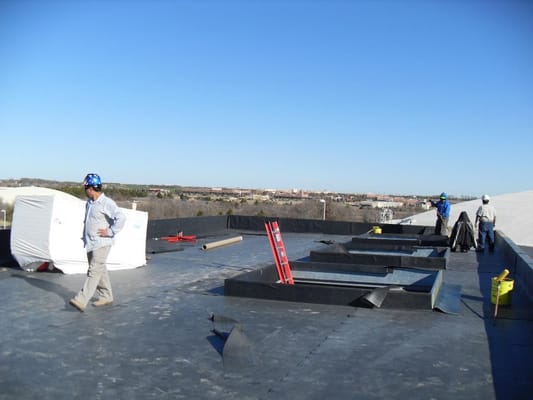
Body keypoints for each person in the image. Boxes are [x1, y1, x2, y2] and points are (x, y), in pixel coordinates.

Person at [69, 173, 126, 312]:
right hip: (91, 243)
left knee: (94, 270)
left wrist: (110, 231)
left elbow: (121, 218)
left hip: (102, 243)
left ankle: (81, 300)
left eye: (85, 187)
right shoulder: (89, 203)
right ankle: (106, 295)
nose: (85, 190)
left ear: (91, 188)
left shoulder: (106, 203)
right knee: (100, 270)